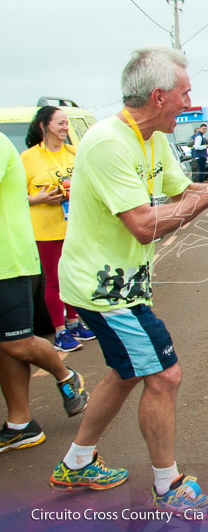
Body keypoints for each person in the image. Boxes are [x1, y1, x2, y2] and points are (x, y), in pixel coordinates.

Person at [49, 47, 208, 514]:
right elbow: (143, 223)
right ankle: (168, 486)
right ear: (159, 96)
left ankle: (76, 463)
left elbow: (182, 190)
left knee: (126, 370)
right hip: (104, 289)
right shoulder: (109, 143)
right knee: (164, 375)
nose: (189, 99)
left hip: (125, 283)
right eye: (184, 91)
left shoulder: (154, 138)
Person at [0, 132, 89, 455]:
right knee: (5, 347)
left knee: (17, 344)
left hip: (7, 263)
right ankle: (20, 425)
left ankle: (66, 376)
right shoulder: (29, 156)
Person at [21, 106, 96, 352]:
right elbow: (15, 195)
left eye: (66, 123)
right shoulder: (28, 158)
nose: (65, 128)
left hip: (74, 226)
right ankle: (60, 331)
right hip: (46, 230)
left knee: (74, 276)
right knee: (54, 281)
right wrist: (38, 199)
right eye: (60, 123)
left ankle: (74, 322)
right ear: (44, 126)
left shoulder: (75, 153)